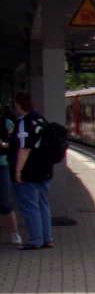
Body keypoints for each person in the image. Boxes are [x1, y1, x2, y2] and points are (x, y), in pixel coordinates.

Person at [12, 90, 53, 250]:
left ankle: (35, 240)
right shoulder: (41, 119)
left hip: (29, 170)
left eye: (16, 104)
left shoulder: (24, 122)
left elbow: (25, 148)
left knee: (30, 206)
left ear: (20, 105)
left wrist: (17, 171)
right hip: (45, 169)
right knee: (43, 204)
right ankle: (46, 238)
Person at [0, 104, 21, 245]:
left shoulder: (7, 123)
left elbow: (14, 144)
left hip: (2, 165)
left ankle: (14, 233)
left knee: (5, 202)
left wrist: (2, 144)